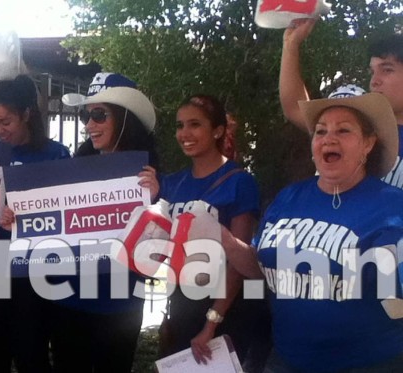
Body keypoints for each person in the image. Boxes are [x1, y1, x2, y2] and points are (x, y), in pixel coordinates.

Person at [218, 92, 403, 372]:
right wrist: (224, 239)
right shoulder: (288, 197)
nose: (329, 138)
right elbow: (261, 268)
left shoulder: (392, 204)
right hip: (284, 359)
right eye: (320, 131)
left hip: (367, 363)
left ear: (368, 143)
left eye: (343, 130)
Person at [41, 72, 158, 372]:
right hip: (69, 300)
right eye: (85, 114)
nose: (88, 124)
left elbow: (157, 254)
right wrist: (17, 220)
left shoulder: (152, 180)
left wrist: (155, 203)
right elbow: (46, 222)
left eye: (98, 114)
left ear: (125, 119)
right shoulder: (72, 168)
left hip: (120, 305)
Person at [149, 94, 270, 372]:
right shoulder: (171, 183)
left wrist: (211, 321)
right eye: (180, 126)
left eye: (195, 124)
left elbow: (237, 262)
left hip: (225, 309)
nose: (185, 134)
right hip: (181, 303)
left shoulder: (239, 182)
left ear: (217, 130)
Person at [0, 74, 71, 373]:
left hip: (34, 268)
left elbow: (69, 215)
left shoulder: (55, 154)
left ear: (26, 114)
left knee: (31, 352)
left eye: (5, 121)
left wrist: (28, 216)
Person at [279, 18, 403, 188]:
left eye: (387, 70)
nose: (374, 81)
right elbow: (294, 108)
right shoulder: (359, 122)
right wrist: (291, 46)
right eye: (372, 72)